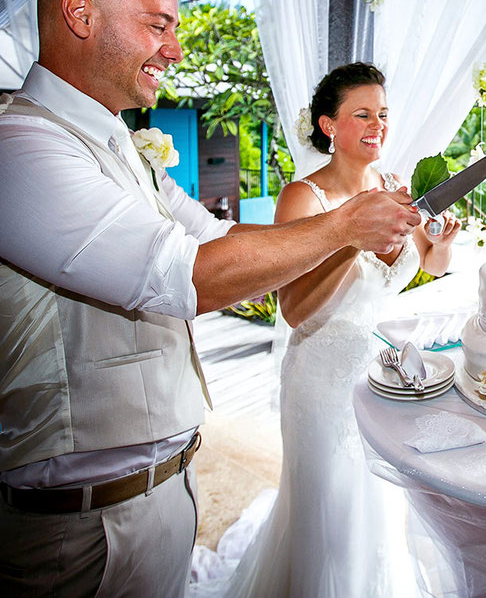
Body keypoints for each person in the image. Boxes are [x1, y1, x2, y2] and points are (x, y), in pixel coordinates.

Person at [0, 0, 422, 597]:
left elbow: (225, 240)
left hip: (167, 490)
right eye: (158, 25)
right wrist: (342, 226)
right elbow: (187, 274)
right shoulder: (21, 147)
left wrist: (349, 234)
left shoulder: (124, 147)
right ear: (80, 14)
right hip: (80, 527)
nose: (175, 49)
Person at [189, 63, 459, 597]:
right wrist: (350, 239)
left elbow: (431, 265)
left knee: (379, 504)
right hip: (321, 376)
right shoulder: (303, 198)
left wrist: (442, 236)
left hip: (382, 375)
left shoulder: (395, 186)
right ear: (329, 125)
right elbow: (294, 310)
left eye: (382, 114)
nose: (377, 124)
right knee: (329, 507)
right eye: (362, 114)